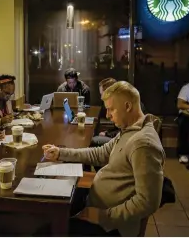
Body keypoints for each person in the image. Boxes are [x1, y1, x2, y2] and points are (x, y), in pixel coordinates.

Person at [42, 81, 164, 237]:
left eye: (111, 109)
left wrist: (102, 216)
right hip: (97, 205)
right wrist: (60, 153)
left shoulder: (143, 144)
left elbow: (147, 202)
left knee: (47, 230)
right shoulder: (129, 130)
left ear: (127, 107)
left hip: (111, 226)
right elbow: (99, 154)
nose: (107, 115)